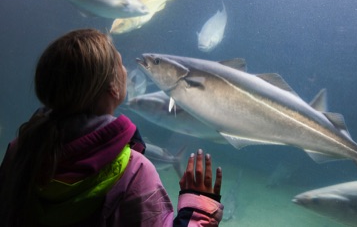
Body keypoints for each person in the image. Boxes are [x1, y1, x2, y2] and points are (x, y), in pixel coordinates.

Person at [0, 29, 223, 226]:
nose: (127, 70)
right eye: (121, 65)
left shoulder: (19, 150)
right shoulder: (134, 172)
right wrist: (197, 210)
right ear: (114, 88)